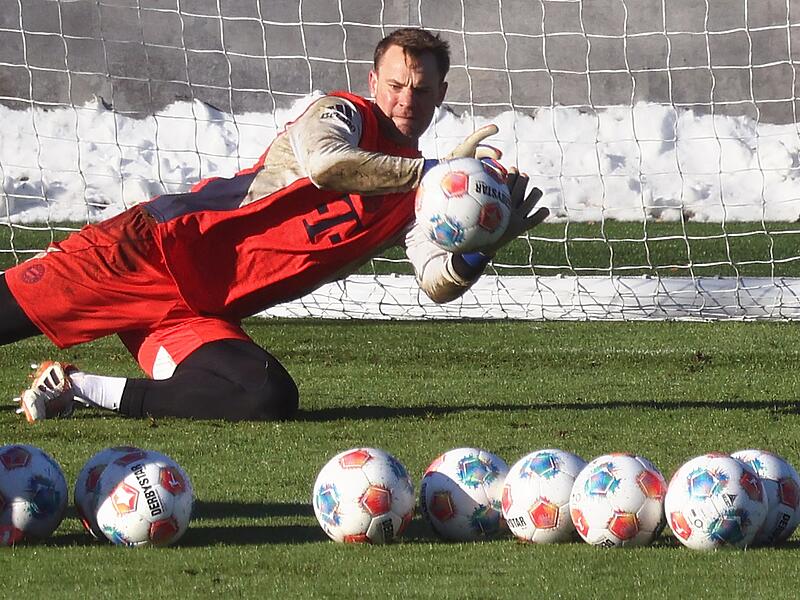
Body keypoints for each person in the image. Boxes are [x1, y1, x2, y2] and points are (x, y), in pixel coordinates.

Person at [4, 27, 548, 422]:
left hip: (195, 315)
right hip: (149, 252)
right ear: (372, 81)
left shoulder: (419, 197)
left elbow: (435, 281)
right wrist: (433, 171)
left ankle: (77, 388)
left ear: (441, 92)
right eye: (395, 84)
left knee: (265, 396)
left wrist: (482, 243)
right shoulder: (343, 114)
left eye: (422, 89)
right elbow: (326, 165)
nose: (406, 100)